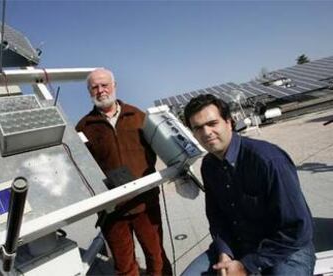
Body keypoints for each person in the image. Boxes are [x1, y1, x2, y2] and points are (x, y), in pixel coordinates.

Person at [182, 94, 315, 276]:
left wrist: (247, 266)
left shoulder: (268, 160)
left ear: (229, 122)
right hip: (238, 244)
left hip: (285, 250)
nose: (206, 133)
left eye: (212, 124)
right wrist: (224, 253)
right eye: (198, 128)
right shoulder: (209, 166)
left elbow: (298, 228)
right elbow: (217, 218)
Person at [76, 68, 172, 276]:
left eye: (104, 85)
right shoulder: (83, 127)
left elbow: (161, 148)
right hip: (112, 210)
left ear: (114, 86)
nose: (100, 90)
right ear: (89, 92)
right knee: (124, 267)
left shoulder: (138, 116)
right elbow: (81, 169)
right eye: (95, 87)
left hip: (145, 203)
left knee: (156, 258)